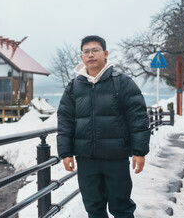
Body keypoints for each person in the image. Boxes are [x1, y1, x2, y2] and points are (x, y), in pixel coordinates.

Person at [57, 35, 150, 218]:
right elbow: (65, 120)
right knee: (93, 208)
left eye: (95, 50)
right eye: (86, 51)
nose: (90, 55)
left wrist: (139, 151)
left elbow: (138, 118)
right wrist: (66, 152)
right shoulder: (74, 87)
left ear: (105, 54)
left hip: (116, 157)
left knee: (121, 207)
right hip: (86, 159)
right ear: (82, 57)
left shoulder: (122, 82)